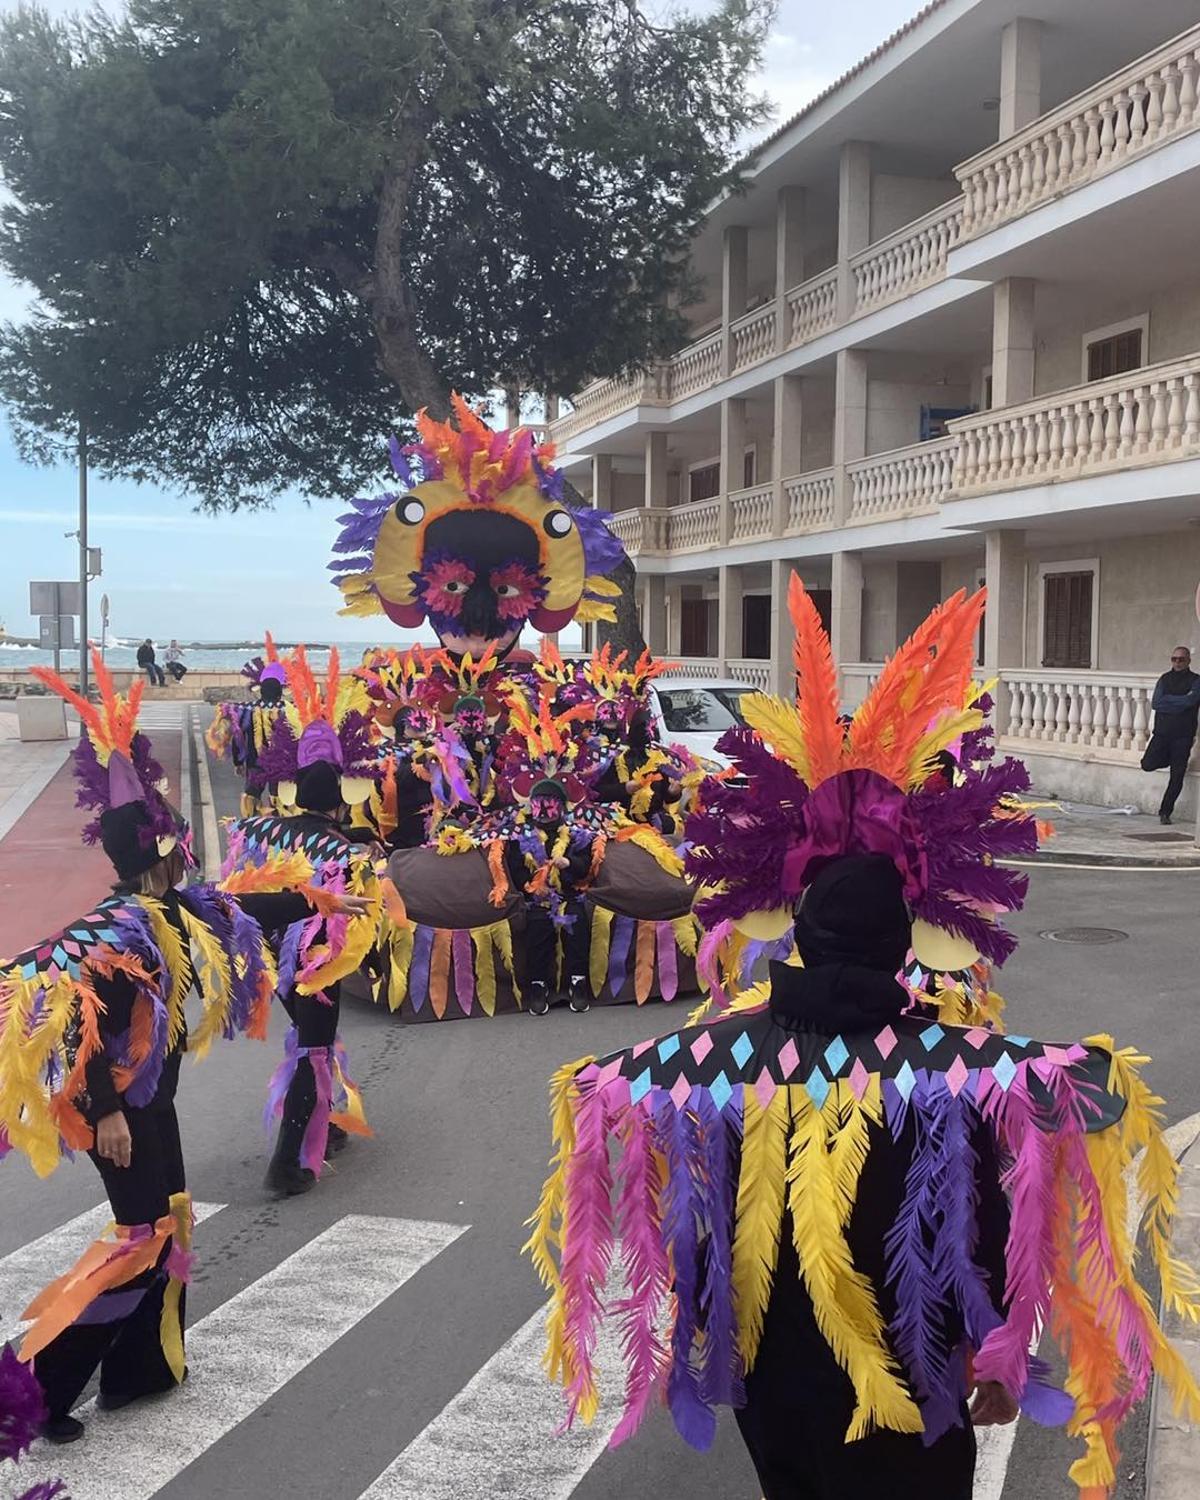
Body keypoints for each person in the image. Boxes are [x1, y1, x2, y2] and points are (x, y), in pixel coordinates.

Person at [528, 579, 1200, 1499]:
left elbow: (596, 1090)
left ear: (797, 929)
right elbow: (1094, 1096)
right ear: (907, 946)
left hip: (775, 1374)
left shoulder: (707, 1061)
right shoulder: (969, 1069)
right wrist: (1001, 1345)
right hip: (922, 1370)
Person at [0, 650, 360, 1444]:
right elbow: (74, 1021)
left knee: (170, 1221)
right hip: (114, 1110)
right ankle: (34, 1390)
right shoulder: (111, 927)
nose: (188, 850)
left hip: (150, 1102)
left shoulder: (174, 907)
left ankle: (141, 1371)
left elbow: (245, 904)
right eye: (177, 842)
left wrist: (320, 895)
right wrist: (104, 1111)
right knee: (136, 1240)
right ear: (159, 851)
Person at [1142, 644, 1200, 823]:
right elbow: (1157, 703)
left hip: (1183, 736)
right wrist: (1179, 702)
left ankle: (1165, 812)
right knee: (1147, 764)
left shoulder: (1196, 680)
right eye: (1174, 659)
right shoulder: (1164, 679)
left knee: (1177, 776)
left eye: (1181, 659)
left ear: (1188, 660)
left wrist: (1171, 702)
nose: (1177, 662)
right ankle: (1169, 758)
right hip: (1162, 733)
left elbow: (1191, 701)